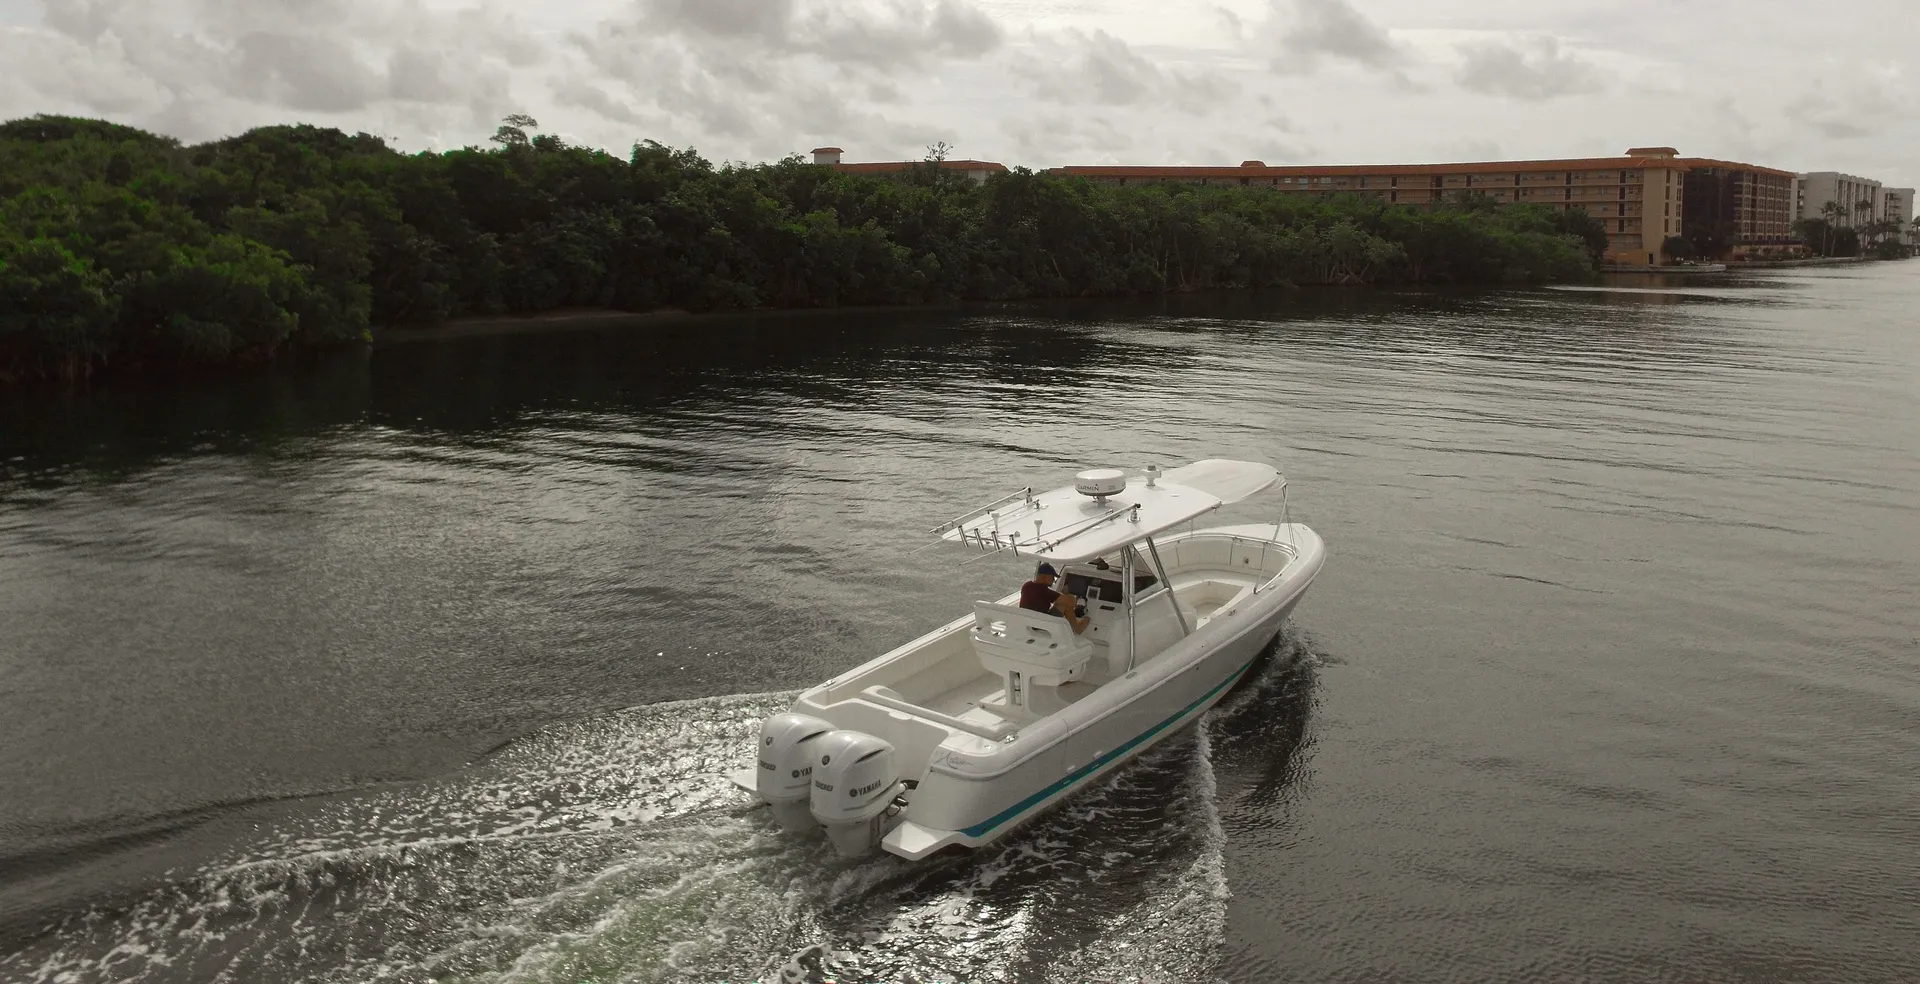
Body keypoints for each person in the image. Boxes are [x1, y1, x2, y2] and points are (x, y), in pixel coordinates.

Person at [1018, 562, 1090, 633]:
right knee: (1065, 605)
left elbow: (1044, 598)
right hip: (1040, 626)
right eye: (1052, 577)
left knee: (1061, 602)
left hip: (1027, 623)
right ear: (1044, 576)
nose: (1054, 580)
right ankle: (1078, 628)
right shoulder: (1044, 590)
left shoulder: (1026, 586)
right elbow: (1072, 602)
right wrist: (1067, 593)